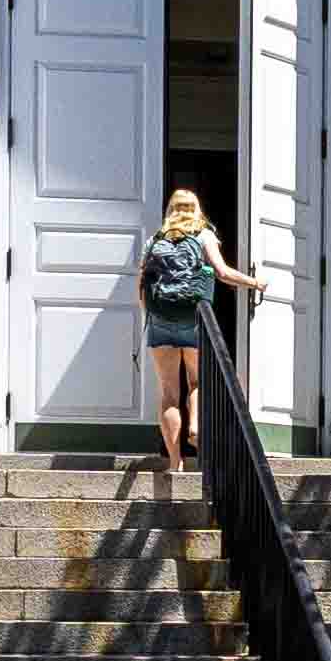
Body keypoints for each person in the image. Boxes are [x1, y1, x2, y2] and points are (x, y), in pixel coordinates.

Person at [138, 184, 252, 475]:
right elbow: (223, 272)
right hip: (193, 319)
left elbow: (141, 286)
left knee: (168, 394)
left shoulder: (154, 240)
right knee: (197, 382)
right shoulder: (204, 235)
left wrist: (152, 314)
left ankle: (175, 462)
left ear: (170, 211)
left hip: (161, 320)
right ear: (197, 210)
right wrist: (256, 283)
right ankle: (195, 426)